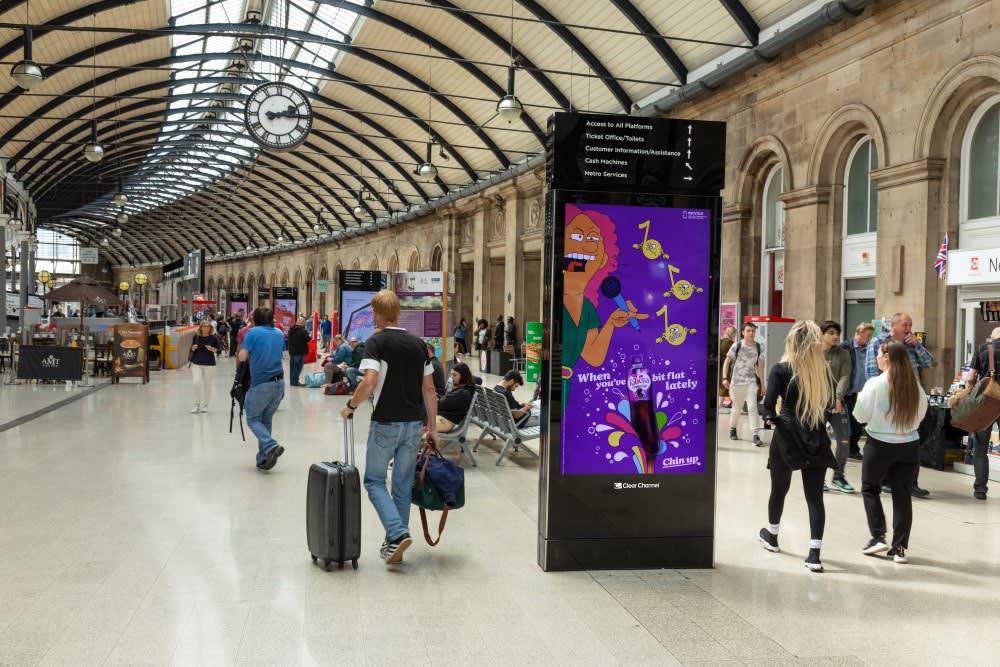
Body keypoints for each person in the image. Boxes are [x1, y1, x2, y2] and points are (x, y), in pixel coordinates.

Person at [340, 290, 439, 565]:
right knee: (402, 484)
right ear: (397, 312)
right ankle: (394, 544)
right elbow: (429, 389)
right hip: (413, 425)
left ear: (376, 313)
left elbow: (369, 381)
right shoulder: (419, 344)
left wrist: (350, 406)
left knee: (373, 480)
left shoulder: (377, 342)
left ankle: (396, 533)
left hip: (385, 423)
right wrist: (432, 427)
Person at [759, 320, 836, 573]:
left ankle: (772, 535)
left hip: (787, 436)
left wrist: (770, 417)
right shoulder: (823, 371)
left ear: (791, 341)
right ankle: (814, 554)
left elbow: (768, 406)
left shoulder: (780, 370)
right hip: (816, 435)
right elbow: (829, 406)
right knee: (815, 499)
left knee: (778, 489)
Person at [854, 341, 928, 564]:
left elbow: (859, 415)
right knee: (902, 494)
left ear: (887, 357)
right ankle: (899, 548)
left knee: (870, 488)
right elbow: (921, 414)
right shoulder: (914, 385)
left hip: (879, 444)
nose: (876, 358)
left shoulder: (875, 384)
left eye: (878, 354)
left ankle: (878, 536)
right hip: (909, 446)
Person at [865, 312, 933, 497]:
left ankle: (910, 482)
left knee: (913, 438)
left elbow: (929, 362)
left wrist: (917, 346)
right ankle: (888, 481)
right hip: (889, 399)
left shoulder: (912, 345)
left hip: (910, 398)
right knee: (889, 440)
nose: (909, 329)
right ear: (894, 326)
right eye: (905, 325)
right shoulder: (878, 342)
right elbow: (871, 371)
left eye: (910, 325)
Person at [239, 307, 286, 471]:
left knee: (252, 418)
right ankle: (263, 458)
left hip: (261, 383)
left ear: (255, 319)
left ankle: (271, 446)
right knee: (266, 420)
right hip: (279, 383)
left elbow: (242, 357)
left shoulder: (252, 332)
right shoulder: (279, 333)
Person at [964, 326, 1000, 500]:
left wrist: (967, 394)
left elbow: (970, 377)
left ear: (992, 337)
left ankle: (980, 489)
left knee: (980, 447)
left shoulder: (982, 349)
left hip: (986, 403)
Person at [821, 320, 855, 494]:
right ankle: (818, 477)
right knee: (820, 440)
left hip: (837, 402)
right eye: (831, 333)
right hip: (817, 403)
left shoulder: (843, 354)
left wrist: (838, 398)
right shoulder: (814, 352)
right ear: (822, 334)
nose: (835, 336)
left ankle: (838, 476)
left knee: (843, 441)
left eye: (837, 333)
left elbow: (844, 377)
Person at [722, 322, 766, 447]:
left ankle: (755, 434)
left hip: (751, 382)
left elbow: (760, 366)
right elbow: (727, 362)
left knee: (752, 407)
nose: (751, 333)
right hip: (736, 382)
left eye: (753, 331)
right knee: (737, 407)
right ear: (743, 332)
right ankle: (732, 428)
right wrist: (725, 378)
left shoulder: (759, 347)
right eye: (748, 331)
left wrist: (763, 384)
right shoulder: (737, 345)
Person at [842, 321, 875, 460]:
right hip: (847, 393)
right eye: (868, 335)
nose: (869, 338)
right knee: (847, 425)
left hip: (861, 394)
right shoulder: (846, 347)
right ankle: (847, 450)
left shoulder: (870, 349)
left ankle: (853, 449)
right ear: (859, 333)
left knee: (857, 423)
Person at [189, 319, 220, 414]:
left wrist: (212, 349)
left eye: (207, 326)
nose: (206, 328)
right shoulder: (196, 337)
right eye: (204, 326)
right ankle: (196, 404)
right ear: (201, 327)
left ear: (210, 328)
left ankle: (205, 405)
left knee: (207, 385)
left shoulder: (213, 338)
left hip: (209, 364)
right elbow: (192, 348)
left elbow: (219, 350)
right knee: (196, 383)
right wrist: (192, 348)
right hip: (197, 363)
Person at [436, 362, 476, 431]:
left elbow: (440, 404)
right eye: (452, 375)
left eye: (455, 375)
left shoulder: (462, 393)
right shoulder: (463, 389)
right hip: (443, 419)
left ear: (463, 376)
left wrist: (433, 398)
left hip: (445, 422)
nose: (452, 377)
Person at [287, 315, 310, 386]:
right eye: (305, 322)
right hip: (300, 351)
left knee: (293, 367)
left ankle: (292, 382)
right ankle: (295, 382)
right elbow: (308, 339)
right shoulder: (302, 330)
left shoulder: (291, 329)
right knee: (298, 367)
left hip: (292, 351)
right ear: (303, 322)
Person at [719, 326, 737, 408]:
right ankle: (719, 405)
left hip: (719, 364)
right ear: (732, 333)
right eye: (734, 333)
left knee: (722, 386)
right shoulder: (729, 343)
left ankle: (724, 404)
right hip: (725, 366)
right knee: (725, 386)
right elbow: (732, 356)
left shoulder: (720, 340)